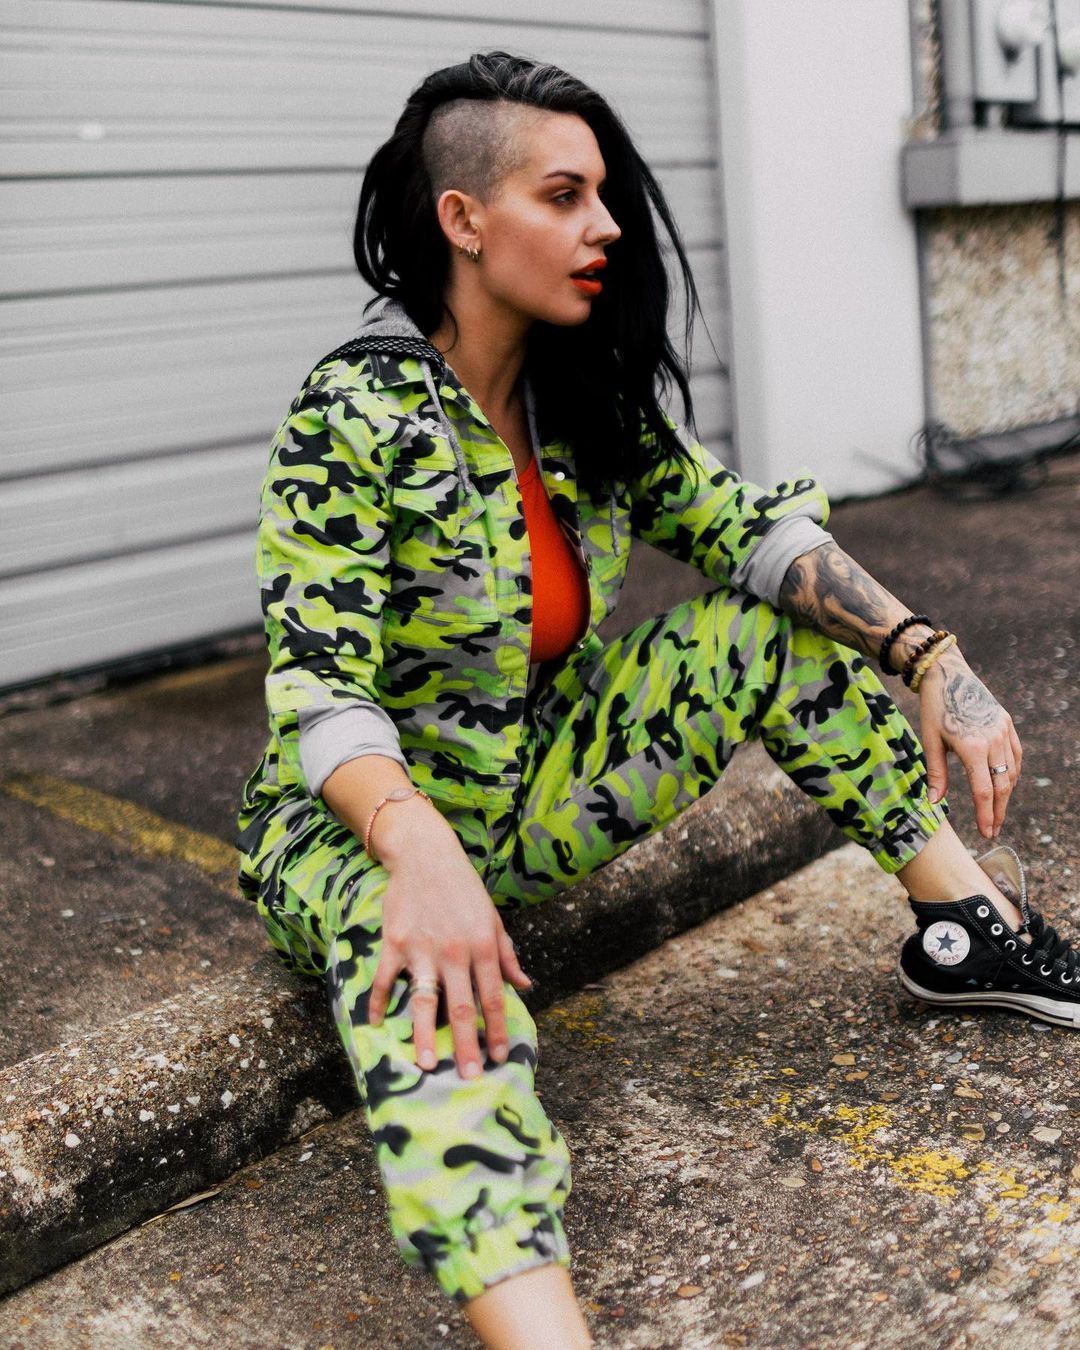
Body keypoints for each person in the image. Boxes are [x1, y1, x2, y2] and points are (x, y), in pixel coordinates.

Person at [235, 50, 1077, 1349]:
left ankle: (967, 928)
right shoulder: (354, 414)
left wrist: (928, 655)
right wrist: (417, 851)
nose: (608, 225)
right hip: (357, 825)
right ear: (464, 220)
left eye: (604, 195)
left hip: (526, 786)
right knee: (430, 981)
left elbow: (750, 533)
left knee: (765, 631)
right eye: (563, 195)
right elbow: (322, 689)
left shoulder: (577, 398)